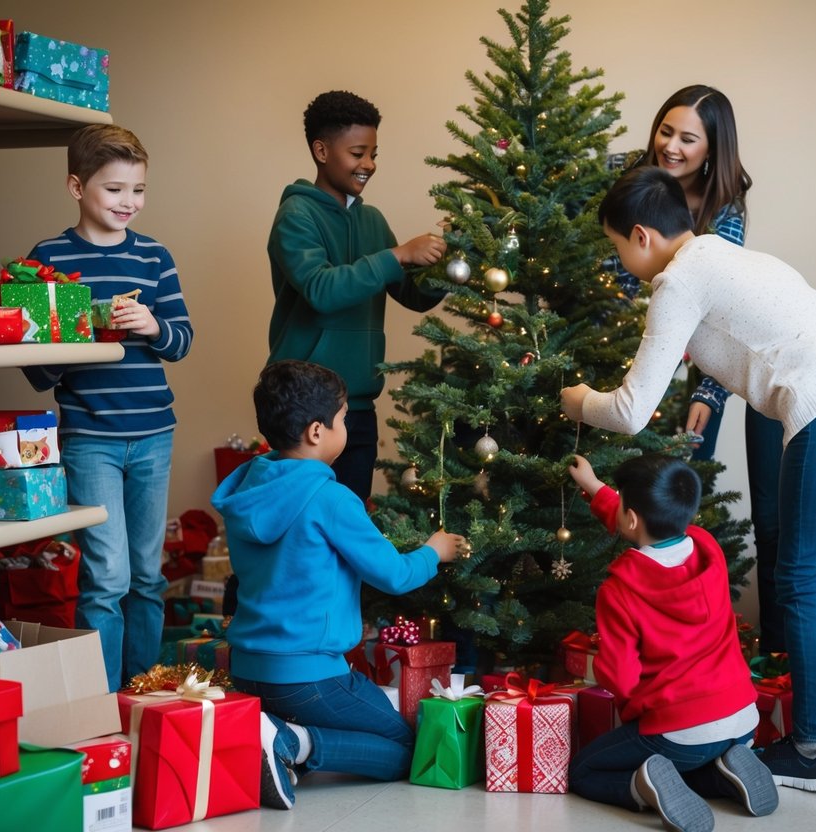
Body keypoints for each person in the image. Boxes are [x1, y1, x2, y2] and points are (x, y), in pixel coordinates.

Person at [562, 167, 816, 792]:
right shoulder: (728, 254)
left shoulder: (679, 280)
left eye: (617, 248)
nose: (622, 263)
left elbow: (632, 412)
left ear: (641, 236)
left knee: (799, 577)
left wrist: (580, 400)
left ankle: (814, 751)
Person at [212, 360, 466, 810]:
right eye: (345, 417)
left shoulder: (248, 488)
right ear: (316, 431)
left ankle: (274, 735)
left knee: (363, 726)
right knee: (410, 749)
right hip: (309, 677)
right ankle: (291, 741)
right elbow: (394, 574)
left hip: (247, 670)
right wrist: (435, 551)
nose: (346, 425)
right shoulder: (331, 498)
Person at [22, 124, 194, 692]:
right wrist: (78, 336)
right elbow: (36, 369)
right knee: (106, 577)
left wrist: (153, 325)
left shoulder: (154, 256)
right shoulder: (49, 259)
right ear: (76, 186)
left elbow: (183, 340)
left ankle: (144, 693)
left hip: (153, 435)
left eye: (138, 190)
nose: (129, 203)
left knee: (147, 574)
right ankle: (101, 700)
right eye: (115, 189)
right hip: (89, 439)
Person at [618, 84, 786, 653]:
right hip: (624, 342)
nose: (670, 146)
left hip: (699, 362)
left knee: (671, 489)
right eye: (665, 131)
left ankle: (679, 626)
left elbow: (725, 312)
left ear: (713, 149)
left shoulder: (725, 209)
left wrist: (710, 394)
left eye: (688, 138)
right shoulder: (631, 181)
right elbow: (607, 269)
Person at [566, 453, 777, 832]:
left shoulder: (620, 590)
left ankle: (640, 787)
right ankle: (724, 775)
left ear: (631, 518)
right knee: (691, 757)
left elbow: (622, 678)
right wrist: (595, 488)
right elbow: (643, 515)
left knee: (583, 770)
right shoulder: (706, 546)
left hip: (680, 731)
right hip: (743, 716)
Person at [266, 89, 448, 502]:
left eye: (374, 154)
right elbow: (321, 290)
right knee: (307, 525)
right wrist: (399, 254)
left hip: (358, 406)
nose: (368, 165)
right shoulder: (295, 216)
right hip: (303, 405)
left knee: (350, 520)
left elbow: (413, 295)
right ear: (321, 150)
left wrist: (447, 262)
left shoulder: (372, 220)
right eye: (358, 153)